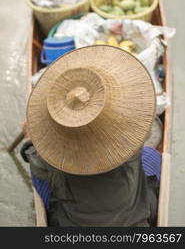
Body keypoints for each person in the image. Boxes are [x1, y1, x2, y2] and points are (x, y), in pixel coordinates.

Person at [21, 45, 161, 227]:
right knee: (152, 156)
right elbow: (144, 129)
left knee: (41, 177)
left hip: (71, 223)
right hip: (135, 220)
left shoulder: (52, 160)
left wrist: (30, 139)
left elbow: (33, 159)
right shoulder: (129, 147)